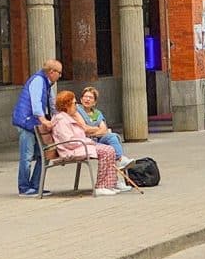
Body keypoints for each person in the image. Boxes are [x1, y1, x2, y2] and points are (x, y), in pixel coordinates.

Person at [51, 90, 126, 196]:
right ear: (66, 105)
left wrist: (87, 142)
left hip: (80, 146)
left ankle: (109, 184)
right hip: (72, 149)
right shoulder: (61, 120)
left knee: (110, 150)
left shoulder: (68, 117)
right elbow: (69, 142)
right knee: (106, 151)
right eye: (74, 103)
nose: (76, 106)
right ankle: (101, 186)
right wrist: (87, 142)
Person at [11, 58, 63, 197]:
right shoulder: (38, 80)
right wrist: (44, 121)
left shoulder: (48, 84)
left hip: (34, 123)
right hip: (26, 122)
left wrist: (58, 118)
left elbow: (52, 104)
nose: (60, 76)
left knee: (43, 154)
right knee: (27, 156)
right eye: (59, 73)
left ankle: (35, 185)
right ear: (52, 72)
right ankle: (24, 188)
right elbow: (36, 104)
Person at [76, 86, 132, 168]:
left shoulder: (97, 113)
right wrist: (96, 129)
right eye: (85, 97)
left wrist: (93, 133)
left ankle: (121, 159)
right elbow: (84, 129)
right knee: (110, 148)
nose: (87, 99)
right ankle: (119, 161)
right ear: (81, 99)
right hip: (85, 141)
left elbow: (104, 130)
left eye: (90, 97)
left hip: (98, 139)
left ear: (94, 102)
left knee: (113, 136)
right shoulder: (77, 110)